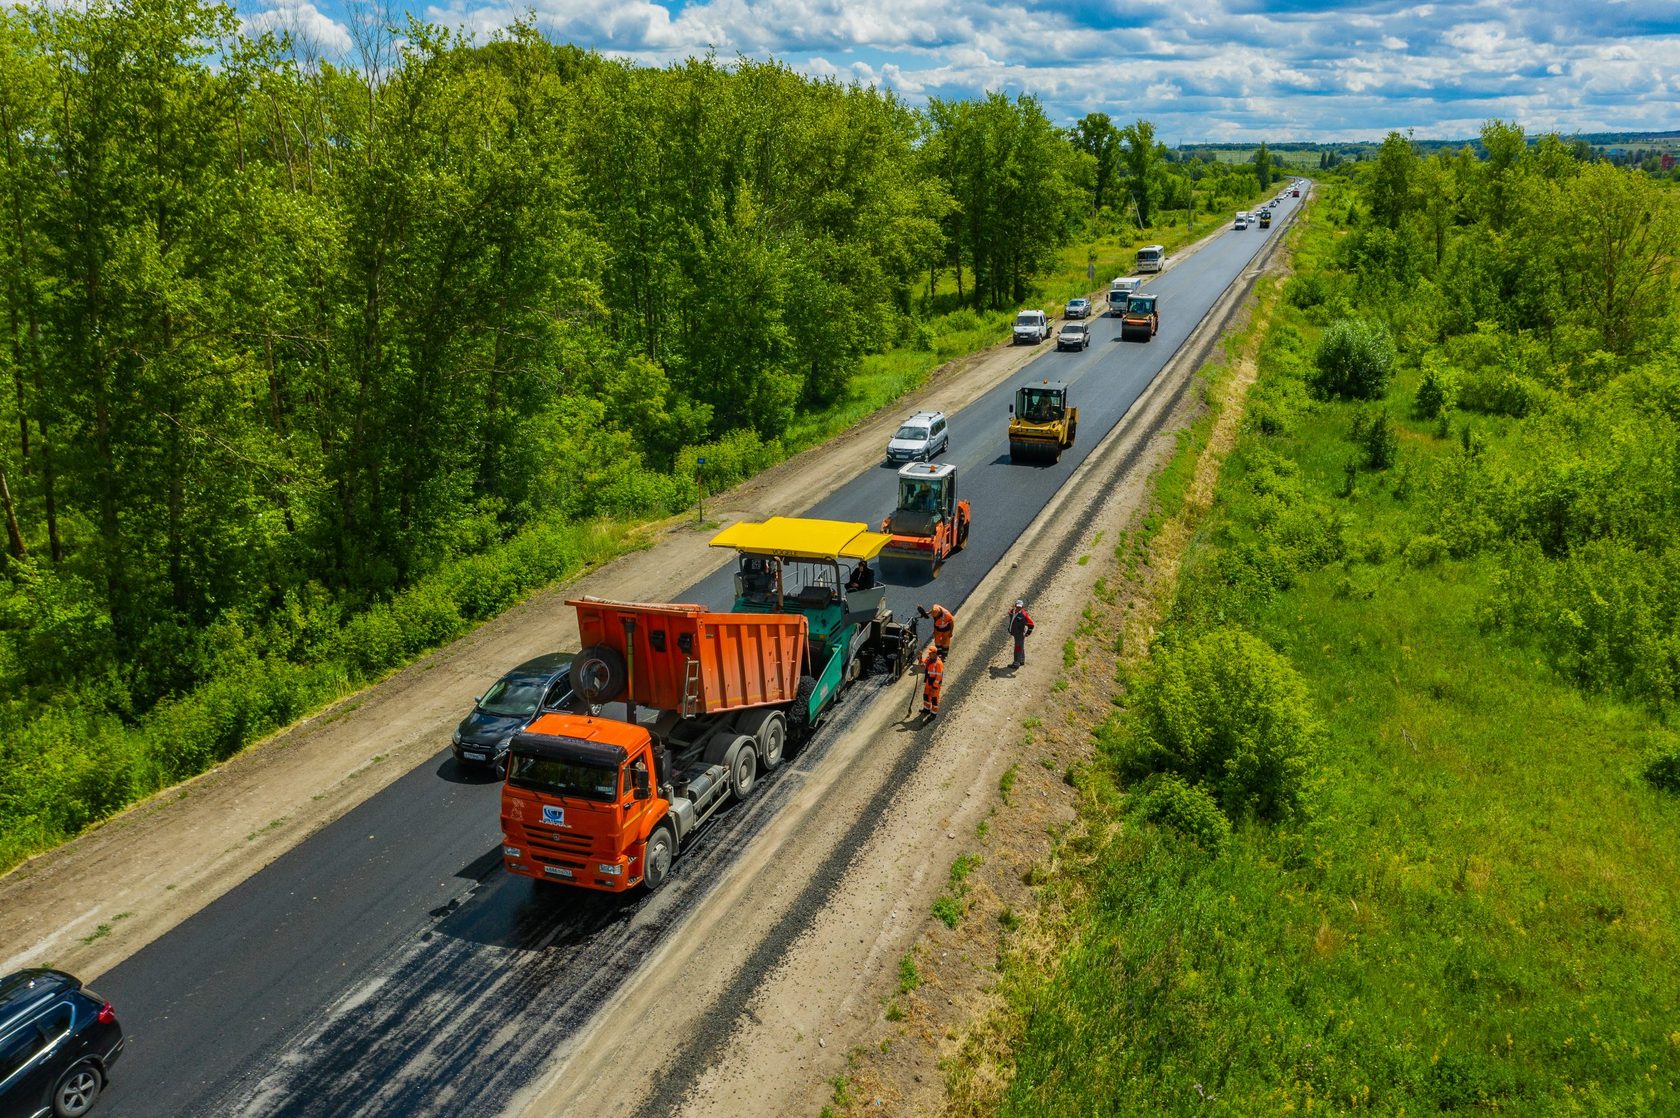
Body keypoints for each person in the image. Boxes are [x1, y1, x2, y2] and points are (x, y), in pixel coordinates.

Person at [1006, 599, 1034, 668]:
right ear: (1015, 605)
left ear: (1022, 607)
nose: (1018, 608)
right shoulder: (1012, 611)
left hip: (1019, 634)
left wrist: (1027, 633)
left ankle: (1016, 664)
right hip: (1015, 633)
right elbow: (1011, 615)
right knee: (1020, 646)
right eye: (1017, 606)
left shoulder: (1024, 615)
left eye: (1020, 607)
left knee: (1018, 648)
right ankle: (1021, 660)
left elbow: (1031, 625)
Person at [919, 641, 944, 718]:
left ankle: (934, 713)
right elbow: (922, 665)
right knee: (926, 695)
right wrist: (920, 657)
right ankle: (927, 709)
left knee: (934, 698)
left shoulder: (939, 663)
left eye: (930, 653)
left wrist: (935, 686)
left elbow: (939, 676)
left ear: (935, 653)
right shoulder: (929, 659)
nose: (929, 654)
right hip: (928, 681)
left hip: (935, 683)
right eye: (929, 653)